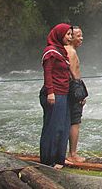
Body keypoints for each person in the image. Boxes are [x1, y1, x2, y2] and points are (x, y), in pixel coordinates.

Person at [39, 23, 74, 169]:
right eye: (68, 34)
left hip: (64, 93)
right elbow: (48, 73)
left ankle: (60, 158)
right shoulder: (51, 51)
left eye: (71, 34)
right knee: (53, 127)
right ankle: (49, 160)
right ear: (59, 34)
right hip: (54, 94)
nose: (70, 37)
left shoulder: (62, 51)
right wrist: (51, 93)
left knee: (64, 126)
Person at [66, 26, 88, 163]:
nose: (81, 38)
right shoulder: (71, 52)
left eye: (81, 35)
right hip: (73, 89)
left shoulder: (66, 50)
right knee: (75, 122)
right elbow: (73, 75)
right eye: (78, 36)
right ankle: (72, 154)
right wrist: (80, 94)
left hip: (66, 90)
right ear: (70, 37)